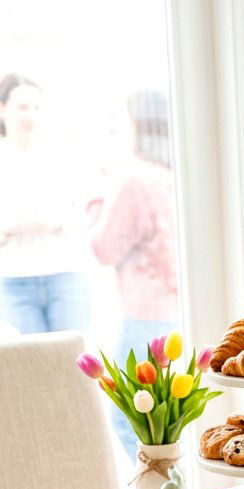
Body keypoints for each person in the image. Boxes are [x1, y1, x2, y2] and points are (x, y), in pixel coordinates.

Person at [87, 89, 180, 455]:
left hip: (144, 317)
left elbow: (104, 248)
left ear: (136, 125)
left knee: (130, 421)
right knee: (167, 419)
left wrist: (97, 197)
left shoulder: (133, 179)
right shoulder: (172, 174)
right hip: (172, 312)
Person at [0, 73, 92, 334]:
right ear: (3, 109)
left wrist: (58, 221)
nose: (30, 115)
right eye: (22, 107)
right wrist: (8, 228)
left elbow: (86, 216)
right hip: (13, 281)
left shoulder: (63, 156)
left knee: (71, 364)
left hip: (66, 277)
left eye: (36, 107)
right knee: (27, 364)